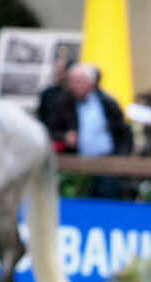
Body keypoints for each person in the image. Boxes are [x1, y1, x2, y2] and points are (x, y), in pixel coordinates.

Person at [49, 64, 133, 198]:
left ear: (91, 83)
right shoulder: (61, 103)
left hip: (107, 163)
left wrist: (121, 157)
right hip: (75, 165)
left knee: (106, 200)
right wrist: (65, 136)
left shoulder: (107, 102)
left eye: (80, 81)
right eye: (73, 81)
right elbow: (50, 131)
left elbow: (124, 132)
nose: (76, 85)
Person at [37, 54, 74, 131]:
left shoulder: (77, 95)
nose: (56, 73)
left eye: (60, 70)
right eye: (56, 69)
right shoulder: (47, 94)